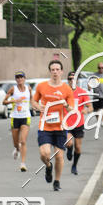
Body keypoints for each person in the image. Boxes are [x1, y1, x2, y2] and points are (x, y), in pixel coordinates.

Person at [32, 59, 75, 192]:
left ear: (61, 72)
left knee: (59, 156)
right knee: (44, 153)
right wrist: (39, 107)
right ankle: (48, 166)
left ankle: (57, 181)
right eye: (53, 70)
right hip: (45, 126)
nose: (55, 72)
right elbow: (33, 101)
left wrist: (65, 104)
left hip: (60, 127)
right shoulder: (41, 86)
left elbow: (71, 109)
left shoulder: (67, 89)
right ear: (50, 71)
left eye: (57, 70)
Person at [3, 70, 32, 171]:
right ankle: (16, 148)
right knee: (16, 143)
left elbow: (31, 100)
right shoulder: (13, 89)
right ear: (16, 80)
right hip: (15, 117)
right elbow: (4, 101)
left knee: (23, 141)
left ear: (24, 79)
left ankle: (23, 164)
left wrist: (36, 106)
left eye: (21, 77)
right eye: (17, 77)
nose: (19, 79)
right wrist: (13, 100)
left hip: (25, 117)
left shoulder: (29, 89)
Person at [65, 71, 91, 175]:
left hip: (79, 123)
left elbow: (90, 107)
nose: (72, 81)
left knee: (78, 148)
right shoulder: (64, 92)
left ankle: (74, 165)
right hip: (67, 123)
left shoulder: (82, 92)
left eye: (74, 79)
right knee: (69, 143)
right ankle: (69, 149)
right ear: (68, 80)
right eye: (70, 79)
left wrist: (86, 110)